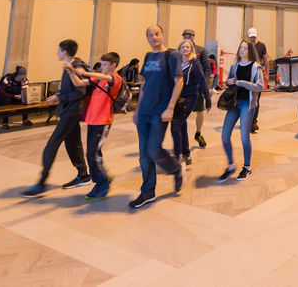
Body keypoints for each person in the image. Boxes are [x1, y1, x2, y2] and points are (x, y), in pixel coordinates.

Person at [22, 40, 91, 198]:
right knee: (73, 142)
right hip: (69, 109)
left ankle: (41, 183)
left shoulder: (76, 67)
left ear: (65, 52)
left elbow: (80, 92)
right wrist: (58, 95)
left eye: (59, 50)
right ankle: (83, 175)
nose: (57, 53)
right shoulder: (69, 65)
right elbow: (71, 89)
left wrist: (61, 98)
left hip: (72, 110)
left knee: (52, 145)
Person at [130, 25, 185, 209]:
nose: (154, 37)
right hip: (144, 111)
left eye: (157, 33)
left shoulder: (171, 55)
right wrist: (137, 109)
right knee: (144, 156)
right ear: (147, 38)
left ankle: (176, 168)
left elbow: (179, 82)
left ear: (162, 35)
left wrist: (169, 108)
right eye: (150, 35)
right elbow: (144, 84)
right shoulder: (147, 56)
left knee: (154, 150)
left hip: (159, 111)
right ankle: (148, 192)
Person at [64, 52, 123, 200]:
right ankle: (101, 180)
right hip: (92, 120)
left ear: (113, 65)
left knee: (92, 153)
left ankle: (103, 181)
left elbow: (104, 77)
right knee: (92, 154)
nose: (101, 67)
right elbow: (78, 83)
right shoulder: (98, 80)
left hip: (103, 122)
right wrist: (71, 71)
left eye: (104, 65)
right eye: (101, 64)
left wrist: (86, 72)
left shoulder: (115, 79)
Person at [218, 40, 265, 182]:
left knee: (244, 137)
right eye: (241, 47)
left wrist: (243, 83)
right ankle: (231, 165)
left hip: (247, 104)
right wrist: (229, 82)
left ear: (250, 51)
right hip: (234, 103)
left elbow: (261, 86)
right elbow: (227, 82)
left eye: (245, 48)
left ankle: (247, 167)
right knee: (225, 136)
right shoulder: (235, 65)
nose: (242, 50)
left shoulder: (256, 67)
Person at [172, 39, 212, 165]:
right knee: (182, 125)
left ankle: (177, 156)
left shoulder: (195, 63)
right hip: (178, 97)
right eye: (183, 47)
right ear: (180, 49)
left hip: (190, 97)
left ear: (191, 50)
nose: (185, 49)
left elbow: (202, 80)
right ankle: (186, 155)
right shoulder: (177, 62)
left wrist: (208, 99)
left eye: (187, 47)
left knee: (176, 125)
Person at [246, 28, 268, 133]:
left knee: (256, 99)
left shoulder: (261, 46)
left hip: (258, 75)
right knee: (247, 98)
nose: (253, 39)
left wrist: (267, 73)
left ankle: (253, 121)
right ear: (247, 37)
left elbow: (266, 59)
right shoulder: (244, 45)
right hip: (247, 75)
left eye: (254, 37)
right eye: (251, 37)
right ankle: (248, 119)